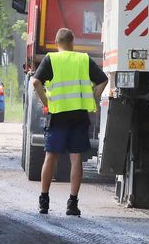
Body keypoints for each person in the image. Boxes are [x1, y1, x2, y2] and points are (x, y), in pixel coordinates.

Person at [31, 28, 108, 216]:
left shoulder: (51, 59)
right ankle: (72, 203)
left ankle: (44, 201)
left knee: (51, 156)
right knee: (76, 159)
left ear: (56, 43)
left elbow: (35, 82)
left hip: (57, 116)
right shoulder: (83, 59)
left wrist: (46, 101)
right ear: (72, 43)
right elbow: (103, 80)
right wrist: (92, 98)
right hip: (79, 116)